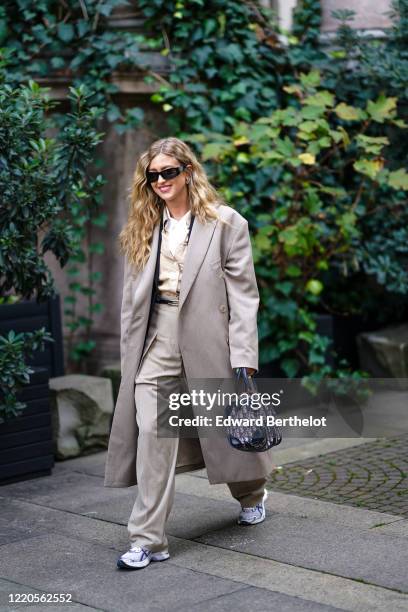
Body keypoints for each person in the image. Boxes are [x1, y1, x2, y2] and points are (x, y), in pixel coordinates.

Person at [104, 137, 275, 570]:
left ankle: (252, 493)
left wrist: (243, 357)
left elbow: (244, 296)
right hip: (156, 340)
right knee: (152, 435)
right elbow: (131, 299)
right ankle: (148, 539)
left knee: (225, 431)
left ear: (187, 172)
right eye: (153, 174)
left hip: (208, 338)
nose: (160, 181)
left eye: (168, 172)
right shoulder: (144, 225)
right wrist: (131, 353)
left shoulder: (225, 222)